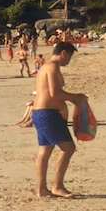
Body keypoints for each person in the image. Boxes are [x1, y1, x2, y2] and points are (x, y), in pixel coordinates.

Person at [30, 42, 85, 198]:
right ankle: (57, 186)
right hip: (47, 114)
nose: (69, 60)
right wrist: (76, 97)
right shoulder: (52, 67)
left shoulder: (46, 67)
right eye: (70, 56)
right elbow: (55, 93)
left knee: (45, 150)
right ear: (63, 53)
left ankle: (41, 189)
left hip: (41, 113)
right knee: (68, 148)